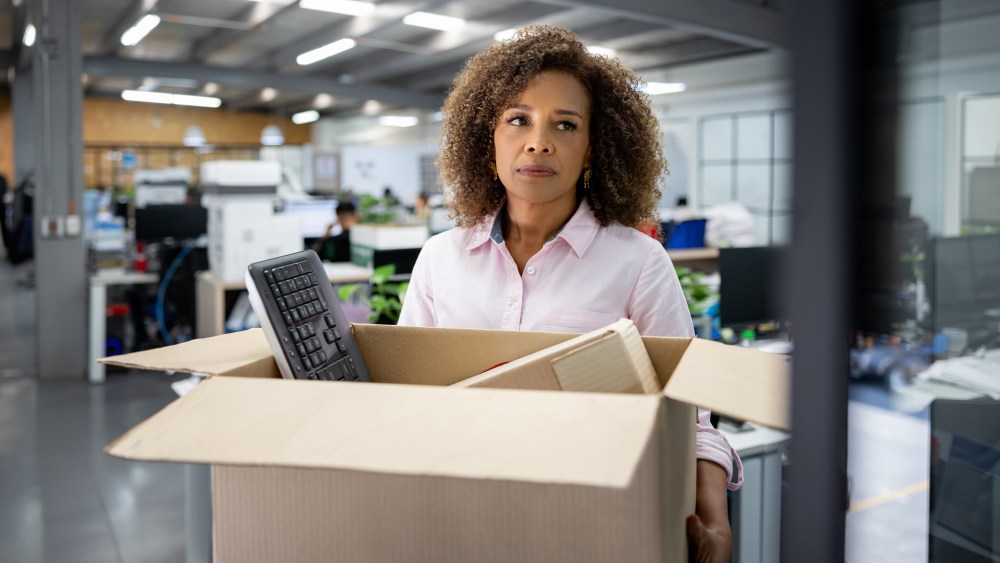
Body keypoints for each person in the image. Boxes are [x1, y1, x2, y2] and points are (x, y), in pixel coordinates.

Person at [398, 26, 740, 561]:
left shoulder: (638, 263)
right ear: (487, 142)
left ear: (591, 152)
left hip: (591, 524)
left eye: (565, 124)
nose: (539, 140)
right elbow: (401, 395)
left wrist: (715, 523)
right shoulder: (440, 260)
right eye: (518, 120)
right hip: (456, 519)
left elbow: (689, 418)